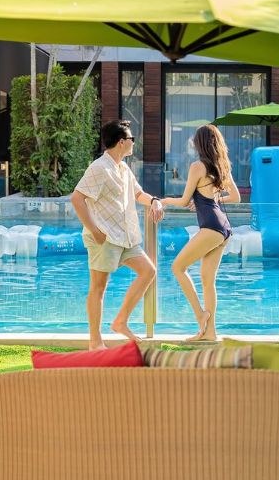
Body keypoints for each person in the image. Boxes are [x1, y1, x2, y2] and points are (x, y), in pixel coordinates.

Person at [71, 120, 164, 349]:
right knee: (98, 288)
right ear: (122, 142)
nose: (134, 142)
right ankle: (95, 341)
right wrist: (94, 230)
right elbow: (77, 198)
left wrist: (153, 202)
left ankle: (120, 321)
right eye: (131, 139)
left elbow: (138, 193)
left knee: (148, 271)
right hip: (105, 237)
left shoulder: (123, 168)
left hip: (126, 237)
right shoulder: (99, 168)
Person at [161, 124, 240, 341]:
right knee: (208, 281)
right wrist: (212, 200)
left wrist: (165, 201)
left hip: (212, 226)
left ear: (199, 144)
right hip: (224, 228)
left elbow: (185, 200)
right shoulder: (221, 166)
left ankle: (200, 314)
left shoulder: (197, 167)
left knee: (178, 267)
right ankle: (210, 334)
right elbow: (235, 197)